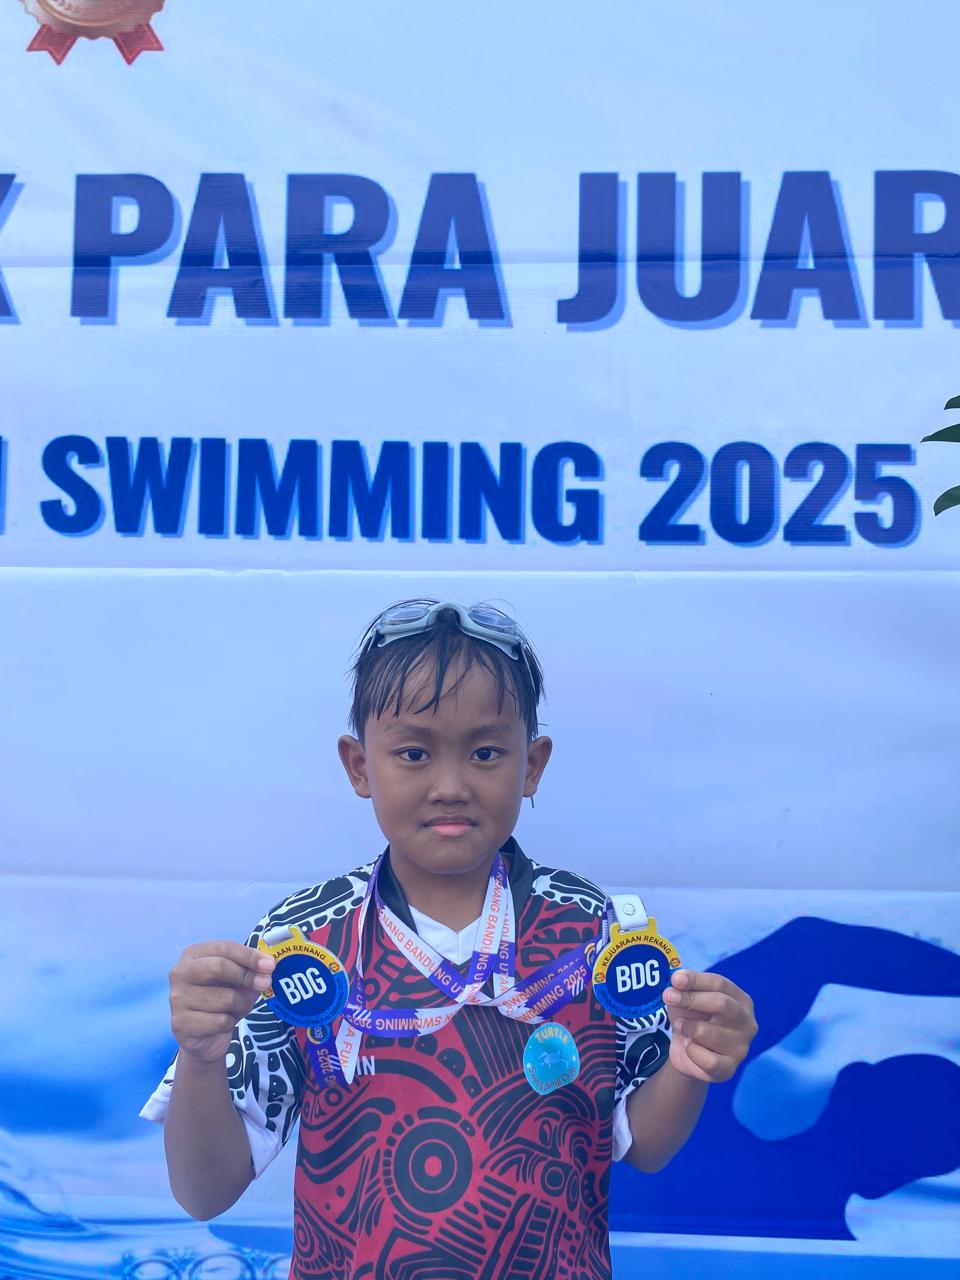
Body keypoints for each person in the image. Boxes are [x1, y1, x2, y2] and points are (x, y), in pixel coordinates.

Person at [142, 599, 757, 1279]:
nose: (451, 786)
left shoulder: (594, 929)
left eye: (486, 753)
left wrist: (690, 1061)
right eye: (414, 753)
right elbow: (204, 1191)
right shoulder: (302, 940)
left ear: (532, 764)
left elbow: (646, 1146)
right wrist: (201, 1057)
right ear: (358, 765)